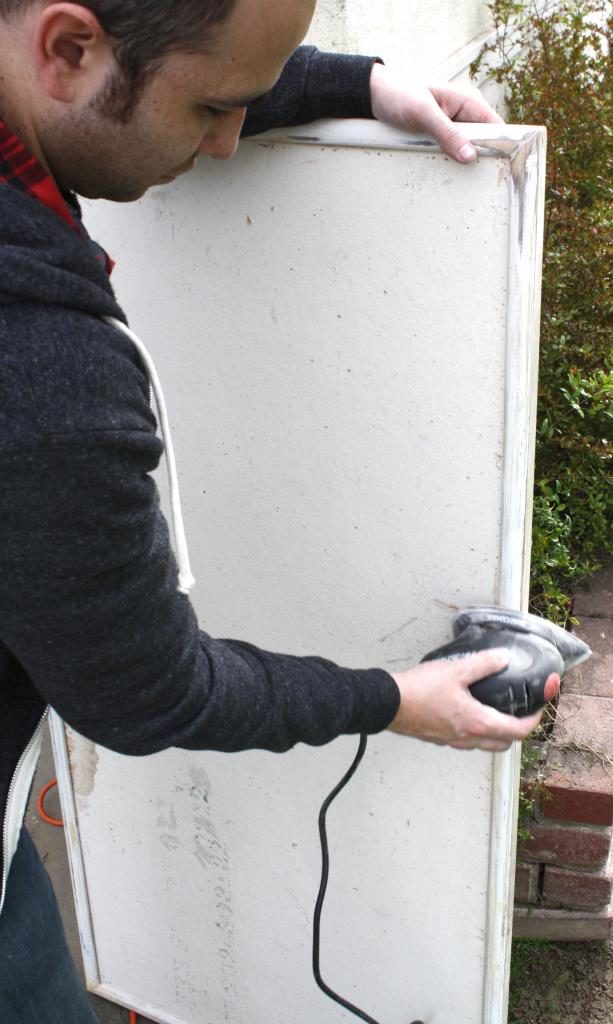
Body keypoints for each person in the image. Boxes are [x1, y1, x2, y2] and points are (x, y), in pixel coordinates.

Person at [0, 1, 559, 1020]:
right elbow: (149, 692)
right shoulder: (46, 376)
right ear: (69, 47)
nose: (227, 142)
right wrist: (393, 697)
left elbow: (159, 75)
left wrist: (354, 85)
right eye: (216, 108)